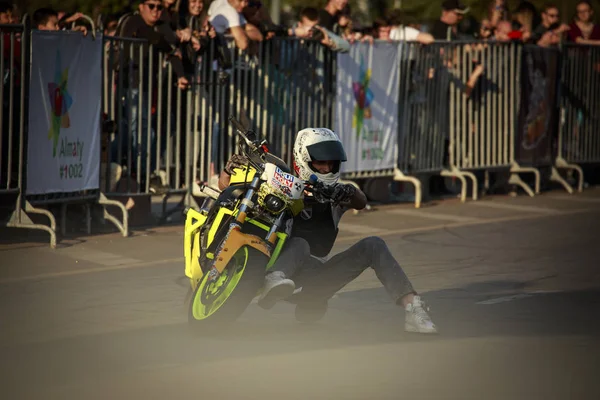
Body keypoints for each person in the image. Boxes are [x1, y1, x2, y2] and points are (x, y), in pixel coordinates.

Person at [218, 128, 438, 334]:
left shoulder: (334, 194)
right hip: (263, 259)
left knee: (373, 245)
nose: (326, 168)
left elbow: (360, 201)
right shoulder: (280, 180)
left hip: (306, 276)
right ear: (303, 159)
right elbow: (226, 185)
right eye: (320, 162)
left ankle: (413, 308)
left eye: (331, 164)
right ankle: (273, 277)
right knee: (301, 243)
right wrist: (230, 169)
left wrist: (347, 191)